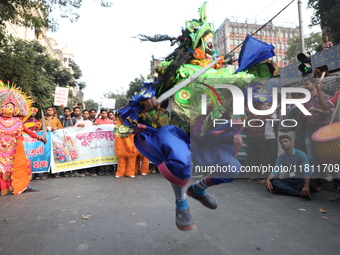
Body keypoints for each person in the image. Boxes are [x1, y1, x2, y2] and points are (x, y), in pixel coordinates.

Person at [0, 81, 46, 196]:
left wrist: (40, 138)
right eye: (8, 106)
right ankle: (4, 188)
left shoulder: (18, 121)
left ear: (16, 109)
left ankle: (23, 186)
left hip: (15, 151)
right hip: (1, 151)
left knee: (21, 166)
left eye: (12, 106)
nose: (10, 108)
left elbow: (29, 131)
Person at [265, 135, 316, 200]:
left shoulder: (301, 154)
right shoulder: (281, 157)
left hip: (301, 180)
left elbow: (307, 170)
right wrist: (268, 179)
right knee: (274, 182)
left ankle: (285, 190)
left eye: (286, 141)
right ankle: (300, 194)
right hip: (290, 180)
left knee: (310, 185)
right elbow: (275, 171)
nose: (283, 143)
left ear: (291, 143)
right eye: (281, 142)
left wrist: (306, 186)